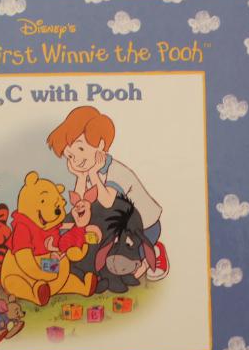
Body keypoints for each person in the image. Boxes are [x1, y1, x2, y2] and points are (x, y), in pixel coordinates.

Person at [46, 106, 169, 280]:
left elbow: (108, 203)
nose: (76, 160)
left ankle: (154, 251)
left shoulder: (115, 171)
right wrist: (81, 176)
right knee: (77, 227)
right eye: (70, 156)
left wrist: (92, 173)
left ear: (101, 145)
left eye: (80, 150)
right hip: (115, 225)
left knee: (117, 265)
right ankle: (57, 264)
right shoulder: (88, 171)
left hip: (144, 229)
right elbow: (79, 205)